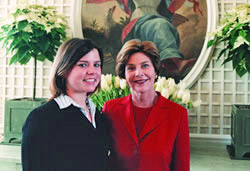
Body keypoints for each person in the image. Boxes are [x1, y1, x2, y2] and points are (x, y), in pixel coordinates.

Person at [21, 38, 110, 171]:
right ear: (64, 68)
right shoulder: (42, 118)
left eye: (96, 65)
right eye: (83, 65)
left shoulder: (98, 115)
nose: (92, 71)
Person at [102, 39, 190, 171]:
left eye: (145, 65)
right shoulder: (110, 109)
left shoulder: (177, 113)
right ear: (124, 74)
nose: (139, 73)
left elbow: (181, 166)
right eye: (131, 68)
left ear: (155, 71)